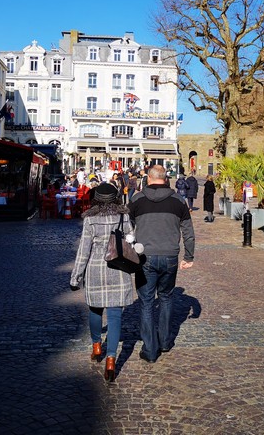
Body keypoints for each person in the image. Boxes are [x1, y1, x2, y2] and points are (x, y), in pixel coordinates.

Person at [128, 164, 195, 363]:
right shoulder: (178, 200)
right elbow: (189, 233)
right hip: (169, 256)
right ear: (166, 179)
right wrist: (189, 257)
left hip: (145, 255)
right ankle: (165, 342)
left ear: (148, 178)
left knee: (147, 302)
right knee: (166, 297)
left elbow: (126, 226)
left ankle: (150, 349)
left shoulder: (137, 199)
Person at [69, 182, 135, 382]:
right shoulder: (123, 216)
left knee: (95, 310)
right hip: (117, 268)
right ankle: (112, 359)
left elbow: (83, 250)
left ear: (96, 198)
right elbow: (131, 238)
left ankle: (97, 347)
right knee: (115, 315)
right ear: (115, 198)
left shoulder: (90, 219)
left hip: (96, 269)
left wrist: (76, 277)